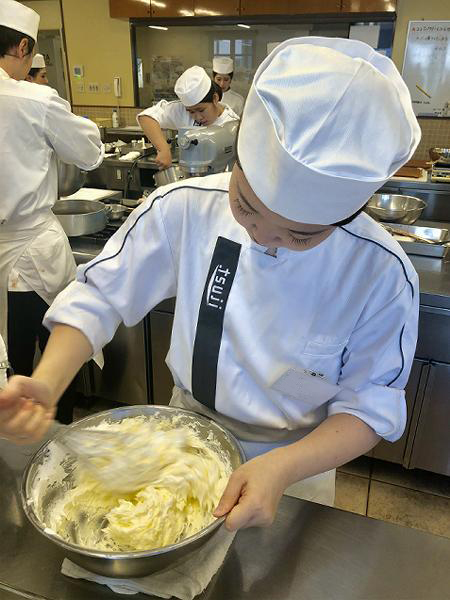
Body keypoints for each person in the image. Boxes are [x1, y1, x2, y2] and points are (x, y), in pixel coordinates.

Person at [0, 37, 420, 530]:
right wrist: (47, 382)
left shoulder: (381, 273)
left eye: (300, 236)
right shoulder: (186, 206)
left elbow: (369, 405)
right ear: (235, 158)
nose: (264, 236)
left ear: (349, 213)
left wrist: (283, 467)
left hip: (294, 467)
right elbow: (100, 294)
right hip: (181, 443)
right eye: (246, 206)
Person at [0, 0, 104, 424]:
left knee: (10, 363)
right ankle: (55, 440)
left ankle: (16, 443)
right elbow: (90, 152)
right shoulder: (33, 100)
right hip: (32, 254)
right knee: (54, 353)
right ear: (24, 47)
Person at [138, 65, 239, 169]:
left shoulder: (232, 124)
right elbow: (146, 117)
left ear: (215, 98)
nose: (198, 117)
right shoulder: (182, 111)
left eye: (201, 110)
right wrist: (163, 149)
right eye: (191, 111)